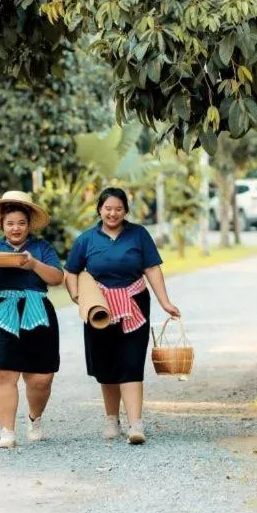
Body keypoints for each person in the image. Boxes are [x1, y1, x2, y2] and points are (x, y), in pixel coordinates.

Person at [64, 187, 180, 445]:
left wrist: (165, 302)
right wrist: (78, 298)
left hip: (134, 302)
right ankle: (111, 419)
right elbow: (71, 271)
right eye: (108, 208)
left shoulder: (138, 234)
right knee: (105, 363)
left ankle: (135, 423)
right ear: (99, 210)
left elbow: (151, 268)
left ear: (126, 210)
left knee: (131, 361)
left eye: (118, 209)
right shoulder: (86, 239)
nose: (113, 213)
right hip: (100, 307)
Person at [0, 191, 65, 449]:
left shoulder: (42, 248)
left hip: (37, 311)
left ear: (29, 224)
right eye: (10, 223)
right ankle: (7, 432)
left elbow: (58, 278)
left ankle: (35, 419)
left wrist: (34, 265)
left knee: (41, 378)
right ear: (2, 224)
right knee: (3, 373)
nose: (16, 228)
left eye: (21, 223)